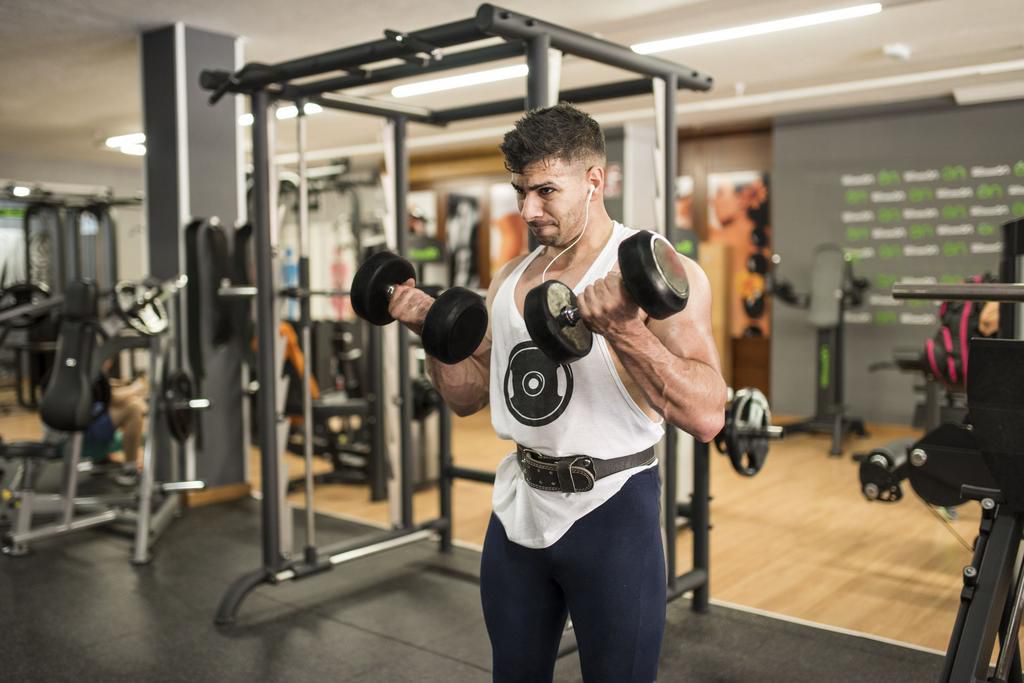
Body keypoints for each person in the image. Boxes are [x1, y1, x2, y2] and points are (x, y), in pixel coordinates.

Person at [387, 103, 726, 682]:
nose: (527, 209)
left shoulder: (660, 272)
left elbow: (709, 412)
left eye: (546, 191)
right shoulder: (511, 278)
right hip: (520, 508)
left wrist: (622, 328)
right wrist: (435, 337)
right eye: (520, 191)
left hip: (613, 508)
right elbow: (471, 396)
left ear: (595, 180)